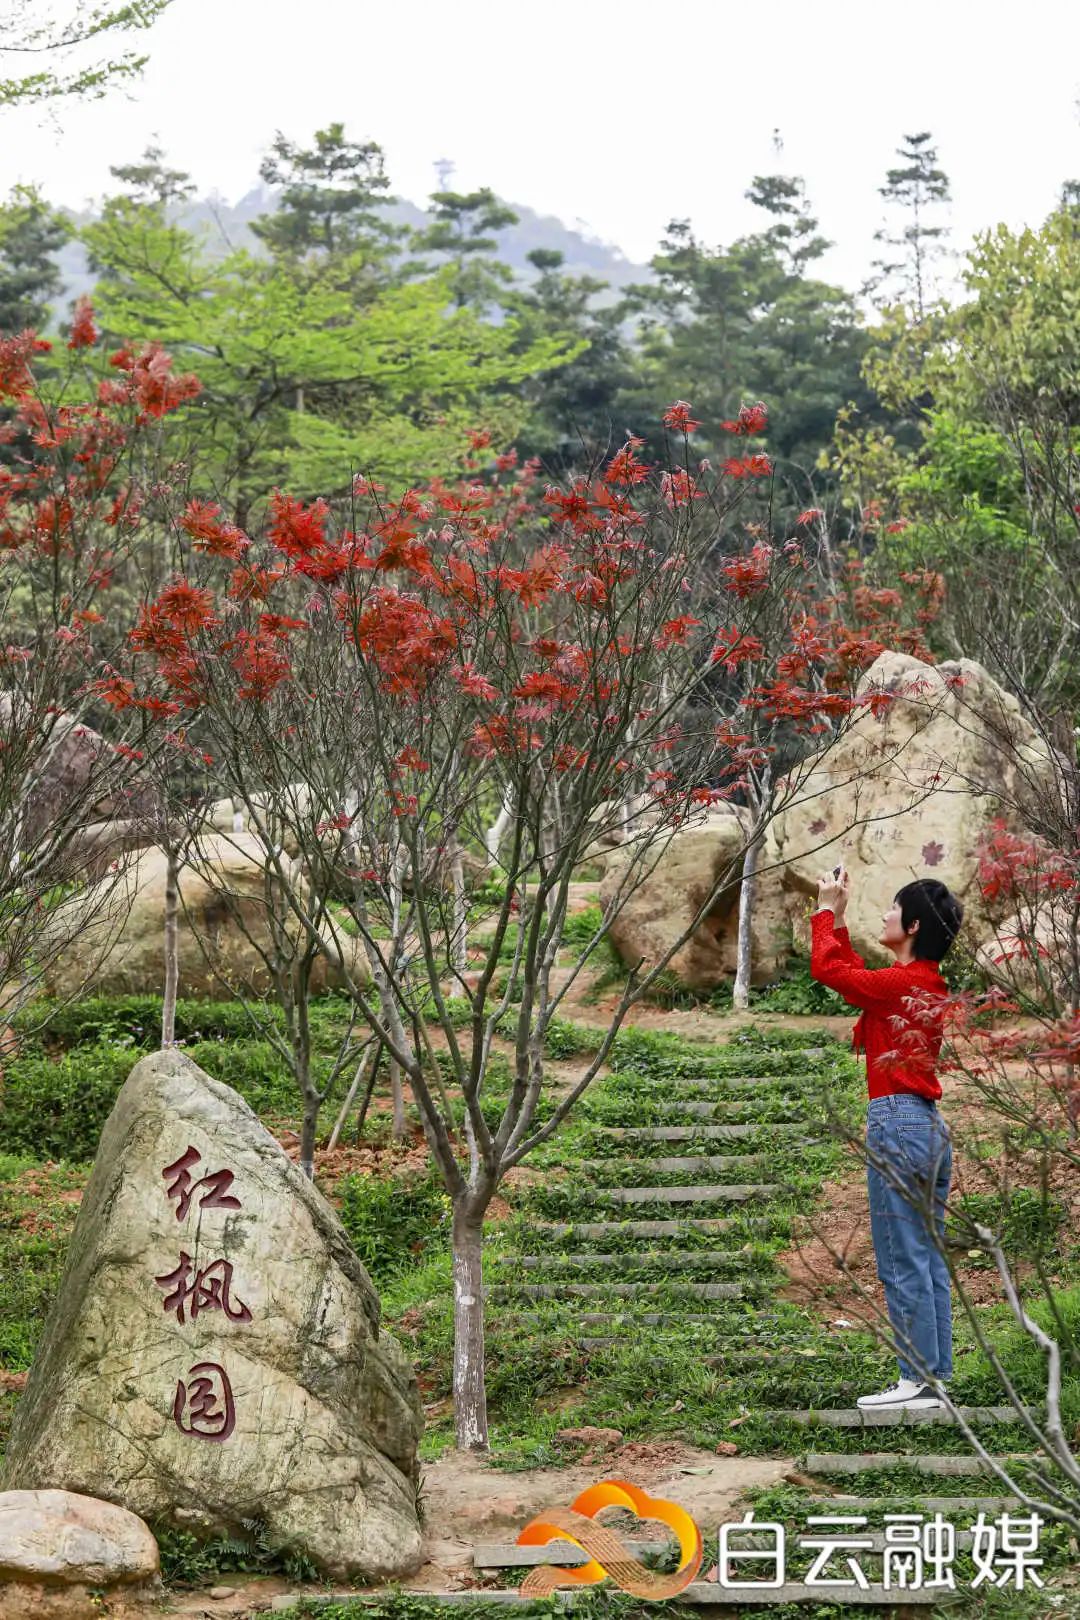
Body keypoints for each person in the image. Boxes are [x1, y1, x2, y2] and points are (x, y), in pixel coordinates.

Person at [810, 863, 964, 1410]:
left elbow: (833, 972)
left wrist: (827, 913)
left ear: (915, 926)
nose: (886, 914)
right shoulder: (919, 984)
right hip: (924, 1124)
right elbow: (857, 977)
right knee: (924, 1256)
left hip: (898, 1122)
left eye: (893, 910)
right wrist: (842, 919)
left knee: (902, 1256)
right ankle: (929, 1377)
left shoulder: (905, 984)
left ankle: (916, 1381)